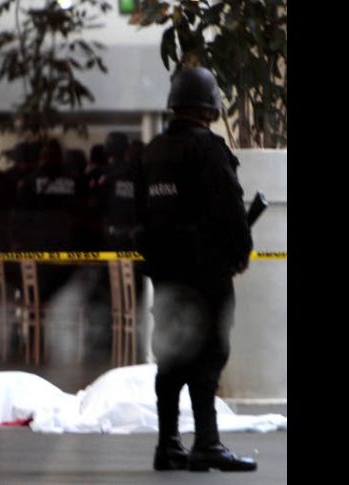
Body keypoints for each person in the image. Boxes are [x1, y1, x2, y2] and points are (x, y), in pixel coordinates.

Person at [138, 67, 256, 472]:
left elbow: (140, 214)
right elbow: (229, 209)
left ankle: (168, 445)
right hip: (205, 272)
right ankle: (207, 443)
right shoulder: (209, 150)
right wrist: (241, 252)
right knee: (210, 354)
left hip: (165, 274)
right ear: (211, 105)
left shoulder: (152, 151)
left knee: (171, 356)